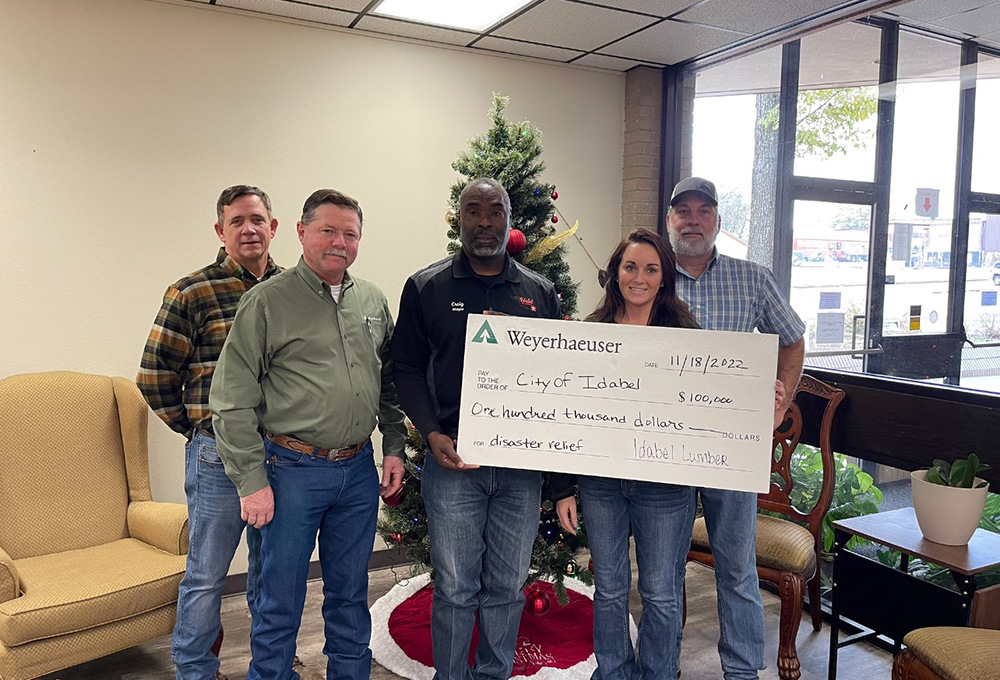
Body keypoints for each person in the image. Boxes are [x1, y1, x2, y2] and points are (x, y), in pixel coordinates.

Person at [210, 189, 407, 680]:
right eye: (327, 230)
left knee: (350, 593)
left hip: (357, 472)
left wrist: (394, 446)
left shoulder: (372, 300)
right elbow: (231, 399)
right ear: (301, 232)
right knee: (279, 597)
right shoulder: (266, 302)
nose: (339, 242)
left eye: (350, 234)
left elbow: (388, 382)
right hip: (291, 472)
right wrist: (251, 481)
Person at [390, 178, 561, 680]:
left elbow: (558, 379)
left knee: (507, 588)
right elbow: (405, 368)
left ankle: (493, 674)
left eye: (495, 211)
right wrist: (431, 433)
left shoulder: (539, 292)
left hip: (520, 469)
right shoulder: (426, 287)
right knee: (456, 589)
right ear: (458, 218)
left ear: (510, 219)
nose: (485, 221)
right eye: (473, 210)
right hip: (453, 464)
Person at [137, 184, 280, 680]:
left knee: (270, 568)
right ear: (221, 230)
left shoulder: (291, 289)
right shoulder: (192, 291)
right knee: (207, 573)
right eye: (237, 221)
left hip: (280, 454)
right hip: (217, 455)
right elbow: (154, 375)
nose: (249, 229)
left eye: (257, 219)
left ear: (273, 227)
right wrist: (198, 428)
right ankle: (195, 669)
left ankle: (271, 661)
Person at [666, 176, 805, 680]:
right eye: (684, 211)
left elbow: (792, 339)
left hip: (731, 444)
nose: (693, 220)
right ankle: (664, 666)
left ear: (719, 221)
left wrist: (779, 404)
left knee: (737, 568)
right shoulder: (650, 276)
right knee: (663, 569)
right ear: (669, 221)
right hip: (666, 443)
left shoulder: (753, 278)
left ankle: (743, 671)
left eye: (704, 211)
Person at [552, 228, 700, 680]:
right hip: (601, 484)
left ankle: (658, 673)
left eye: (651, 269)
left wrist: (760, 395)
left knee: (661, 593)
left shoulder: (687, 335)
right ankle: (614, 673)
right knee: (610, 590)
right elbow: (567, 412)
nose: (639, 277)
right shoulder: (589, 334)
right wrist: (563, 488)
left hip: (666, 487)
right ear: (615, 273)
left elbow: (708, 403)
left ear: (664, 277)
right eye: (630, 267)